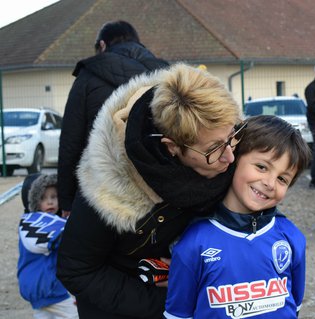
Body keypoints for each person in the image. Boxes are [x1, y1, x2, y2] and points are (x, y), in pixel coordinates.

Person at [56, 63, 243, 319]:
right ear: (172, 147)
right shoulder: (110, 184)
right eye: (213, 150)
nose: (231, 157)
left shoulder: (229, 146)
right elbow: (76, 269)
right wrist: (173, 302)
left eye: (233, 136)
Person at [163, 115, 311, 319]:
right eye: (262, 166)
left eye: (282, 179)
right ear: (233, 158)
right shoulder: (194, 242)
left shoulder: (291, 237)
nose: (269, 183)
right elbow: (178, 314)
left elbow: (294, 304)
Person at [57, 20, 169, 218]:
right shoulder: (166, 74)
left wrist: (66, 200)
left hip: (101, 187)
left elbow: (70, 141)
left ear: (102, 45)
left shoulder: (88, 76)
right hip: (157, 188)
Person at [17, 174, 78, 319]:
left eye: (54, 197)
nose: (50, 202)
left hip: (41, 291)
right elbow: (64, 234)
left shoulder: (51, 222)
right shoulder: (33, 223)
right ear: (34, 201)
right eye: (43, 198)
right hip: (52, 290)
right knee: (75, 315)